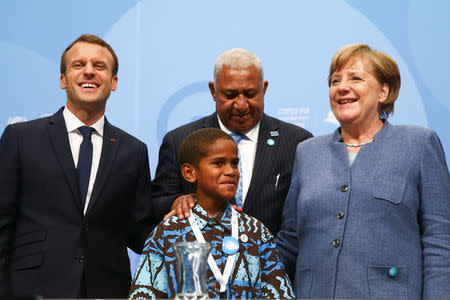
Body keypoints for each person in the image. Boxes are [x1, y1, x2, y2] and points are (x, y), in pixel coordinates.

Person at [276, 44, 450, 299]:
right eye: (335, 81)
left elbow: (440, 240)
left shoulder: (419, 144)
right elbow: (291, 239)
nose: (341, 87)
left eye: (355, 78)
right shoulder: (307, 152)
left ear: (383, 91)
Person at [0, 34, 156, 298]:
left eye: (99, 66)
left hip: (107, 290)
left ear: (114, 82)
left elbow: (141, 232)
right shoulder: (20, 138)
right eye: (78, 65)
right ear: (63, 80)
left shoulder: (134, 150)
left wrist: (192, 212)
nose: (89, 72)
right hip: (31, 289)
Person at [152, 48, 312, 236]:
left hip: (273, 262)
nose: (241, 104)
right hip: (201, 262)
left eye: (250, 94)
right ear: (213, 91)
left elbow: (302, 221)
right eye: (230, 95)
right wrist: (177, 201)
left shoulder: (297, 142)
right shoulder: (179, 140)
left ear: (264, 89)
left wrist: (265, 262)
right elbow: (155, 204)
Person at [129, 128, 295, 299]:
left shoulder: (255, 232)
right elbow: (143, 295)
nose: (231, 171)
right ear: (189, 173)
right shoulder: (167, 234)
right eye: (218, 163)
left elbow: (280, 295)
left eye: (234, 163)